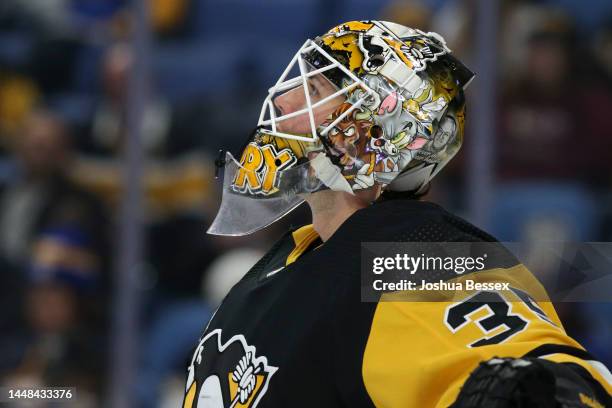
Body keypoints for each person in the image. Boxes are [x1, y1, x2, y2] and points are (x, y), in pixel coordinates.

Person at [183, 21, 612, 407]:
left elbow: (555, 383)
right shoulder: (306, 249)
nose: (285, 100)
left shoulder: (407, 262)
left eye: (314, 91)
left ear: (372, 137)